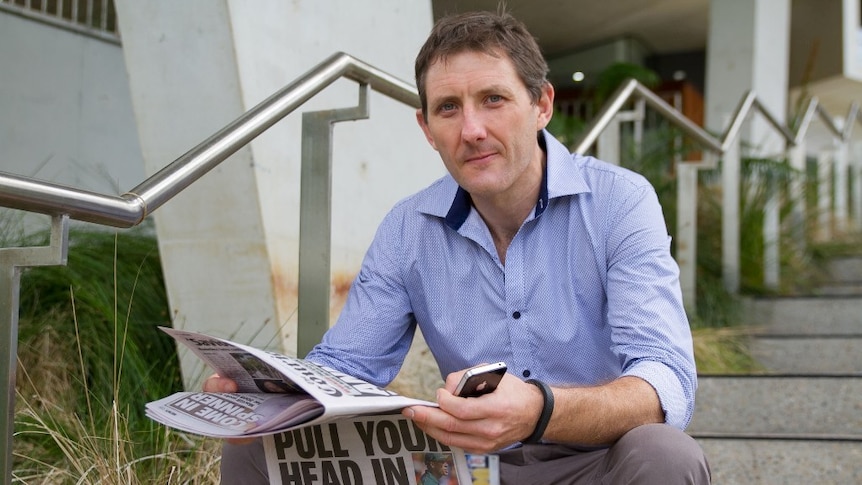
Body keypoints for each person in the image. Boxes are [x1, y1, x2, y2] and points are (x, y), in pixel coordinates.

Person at [211, 10, 710, 484]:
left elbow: (665, 380)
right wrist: (267, 393)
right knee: (257, 448)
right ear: (427, 129)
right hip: (462, 469)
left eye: (493, 99)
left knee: (666, 454)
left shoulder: (620, 202)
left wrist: (540, 409)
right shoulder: (408, 228)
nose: (472, 131)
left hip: (596, 463)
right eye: (449, 108)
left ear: (542, 105)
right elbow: (346, 370)